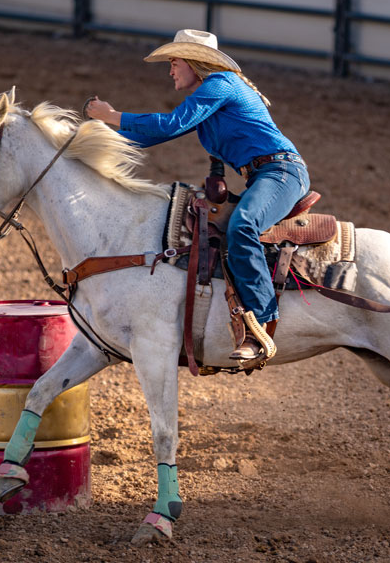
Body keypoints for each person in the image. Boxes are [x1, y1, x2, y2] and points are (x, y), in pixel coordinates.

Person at [86, 29, 309, 365]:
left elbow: (169, 123)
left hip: (281, 172)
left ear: (194, 62)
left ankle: (262, 324)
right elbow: (150, 138)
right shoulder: (214, 96)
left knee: (243, 226)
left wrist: (110, 115)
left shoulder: (220, 84)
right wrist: (94, 140)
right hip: (266, 174)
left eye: (175, 62)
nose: (170, 70)